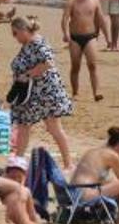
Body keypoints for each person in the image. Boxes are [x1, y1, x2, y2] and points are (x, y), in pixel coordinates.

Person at [6, 17, 73, 167]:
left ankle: (68, 163)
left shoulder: (37, 42)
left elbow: (48, 62)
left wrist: (27, 74)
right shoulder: (29, 43)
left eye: (15, 33)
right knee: (24, 125)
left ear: (23, 30)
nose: (14, 37)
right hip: (32, 93)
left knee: (53, 128)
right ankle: (18, 160)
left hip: (45, 92)